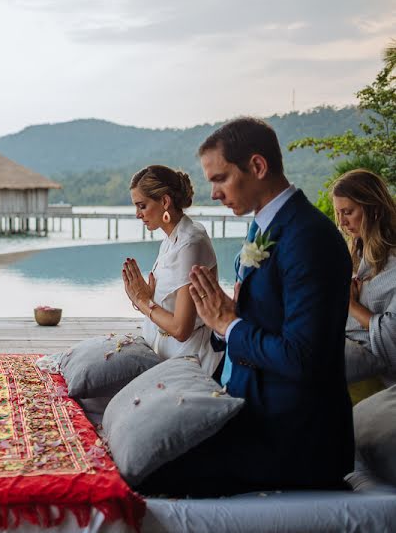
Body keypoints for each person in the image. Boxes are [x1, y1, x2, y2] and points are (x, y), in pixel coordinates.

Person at [139, 117, 354, 496]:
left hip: (294, 436)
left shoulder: (308, 238)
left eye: (221, 178)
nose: (214, 193)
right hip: (251, 409)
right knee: (136, 445)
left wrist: (229, 325)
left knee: (149, 470)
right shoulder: (263, 227)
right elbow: (257, 321)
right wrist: (223, 318)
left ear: (257, 166)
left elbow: (303, 358)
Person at [122, 165, 222, 376]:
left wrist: (143, 302)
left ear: (165, 202)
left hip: (191, 360)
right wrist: (148, 297)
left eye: (142, 206)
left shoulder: (190, 243)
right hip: (163, 352)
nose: (138, 215)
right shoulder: (172, 239)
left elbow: (181, 329)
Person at [330, 169, 396, 394]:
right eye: (338, 213)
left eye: (348, 212)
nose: (342, 222)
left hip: (375, 365)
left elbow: (391, 334)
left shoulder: (393, 263)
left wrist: (351, 305)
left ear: (374, 209)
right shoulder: (358, 252)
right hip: (348, 345)